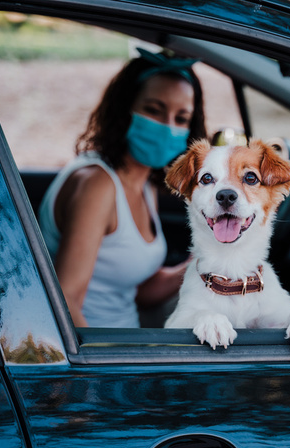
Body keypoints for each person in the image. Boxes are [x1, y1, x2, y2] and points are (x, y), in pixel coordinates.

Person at [38, 48, 207, 328]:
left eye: (181, 118)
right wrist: (101, 370)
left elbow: (135, 291)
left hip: (127, 338)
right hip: (100, 354)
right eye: (154, 110)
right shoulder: (98, 184)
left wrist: (201, 266)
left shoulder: (144, 181)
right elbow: (66, 303)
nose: (168, 127)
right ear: (124, 111)